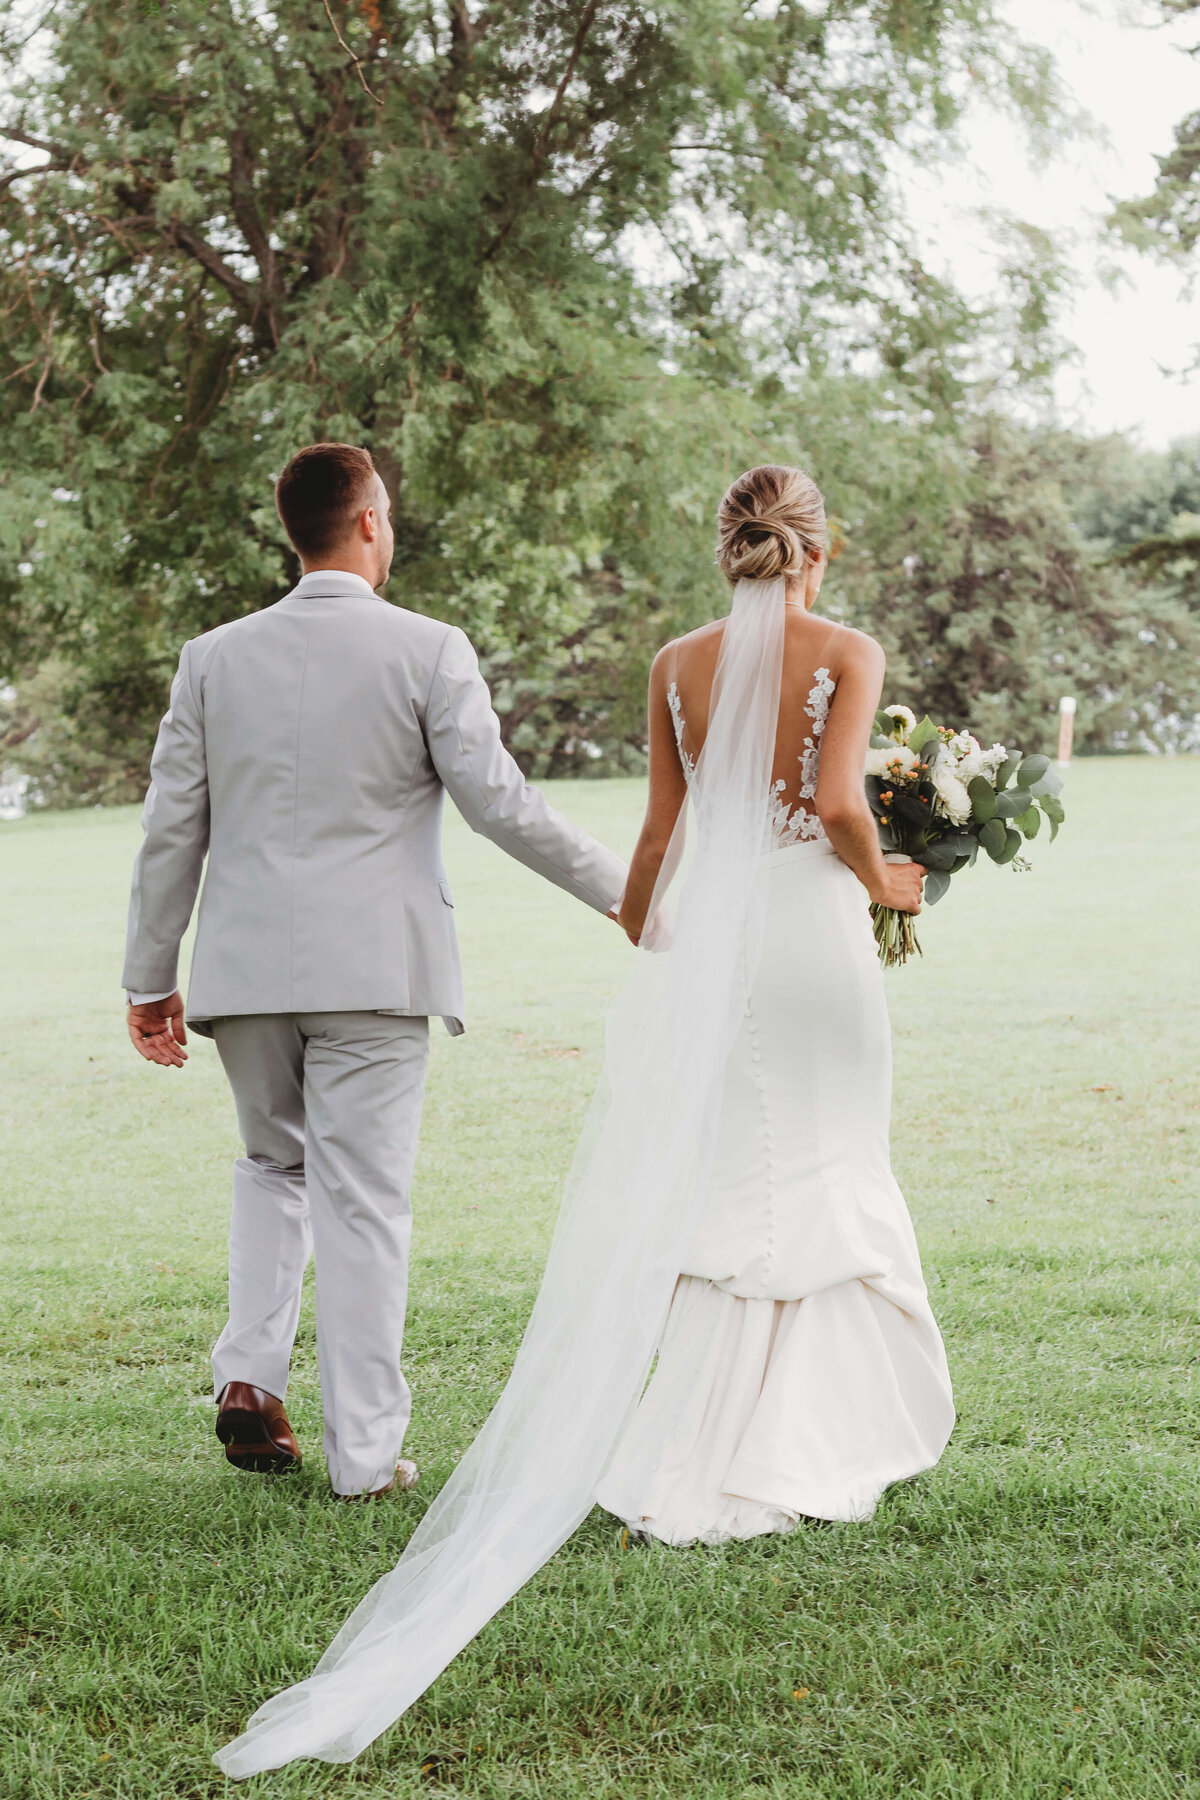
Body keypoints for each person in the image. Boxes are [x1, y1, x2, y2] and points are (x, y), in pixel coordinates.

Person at [214, 463, 954, 1778]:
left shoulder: (676, 662)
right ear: (819, 552)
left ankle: (700, 1436)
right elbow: (841, 805)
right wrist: (888, 876)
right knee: (832, 1161)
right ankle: (809, 1431)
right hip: (814, 940)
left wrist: (638, 921)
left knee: (739, 1177)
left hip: (713, 945)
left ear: (724, 546)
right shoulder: (848, 650)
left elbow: (661, 833)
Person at [121, 442, 628, 1501]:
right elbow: (502, 806)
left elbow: (174, 826)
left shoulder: (212, 658)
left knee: (272, 1169)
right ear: (365, 522)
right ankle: (362, 1459)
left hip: (246, 973)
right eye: (386, 515)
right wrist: (626, 894)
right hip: (375, 974)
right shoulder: (429, 649)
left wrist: (148, 975)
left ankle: (250, 1378)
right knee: (362, 1203)